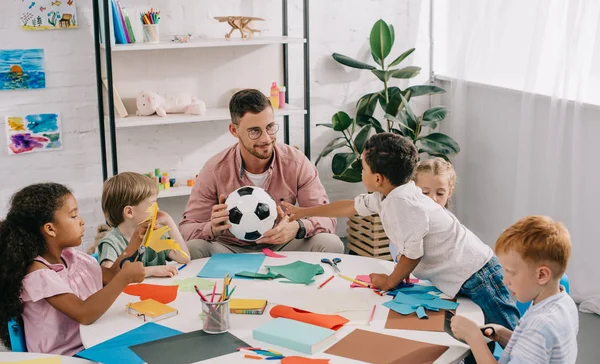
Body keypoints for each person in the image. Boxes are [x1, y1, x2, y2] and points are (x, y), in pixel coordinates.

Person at [283, 133, 519, 330]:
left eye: (362, 168)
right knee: (480, 335)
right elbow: (350, 206)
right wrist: (304, 212)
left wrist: (389, 281)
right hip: (461, 277)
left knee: (508, 337)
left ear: (378, 178)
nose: (361, 172)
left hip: (478, 275)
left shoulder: (404, 204)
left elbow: (413, 254)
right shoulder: (389, 194)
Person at [426, 215, 591, 364]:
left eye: (511, 272)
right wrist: (503, 334)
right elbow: (540, 352)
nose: (505, 280)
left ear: (542, 275)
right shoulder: (560, 301)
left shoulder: (540, 327)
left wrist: (474, 339)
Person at [180, 89, 343, 258]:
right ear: (234, 130)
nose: (266, 138)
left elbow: (327, 218)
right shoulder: (214, 169)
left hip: (284, 245)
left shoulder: (296, 163)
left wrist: (298, 227)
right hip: (231, 249)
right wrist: (212, 228)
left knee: (330, 243)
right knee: (192, 248)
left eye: (270, 127)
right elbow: (186, 230)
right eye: (254, 131)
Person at [0, 183, 145, 355]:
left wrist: (135, 240)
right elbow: (84, 313)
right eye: (74, 216)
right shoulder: (38, 274)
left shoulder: (71, 258)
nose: (82, 221)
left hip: (91, 342)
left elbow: (110, 276)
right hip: (66, 358)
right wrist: (125, 278)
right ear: (50, 229)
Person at [98, 172, 190, 278]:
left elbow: (184, 258)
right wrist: (151, 271)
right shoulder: (111, 243)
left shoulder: (154, 234)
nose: (158, 209)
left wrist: (168, 220)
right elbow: (109, 276)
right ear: (129, 212)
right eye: (152, 205)